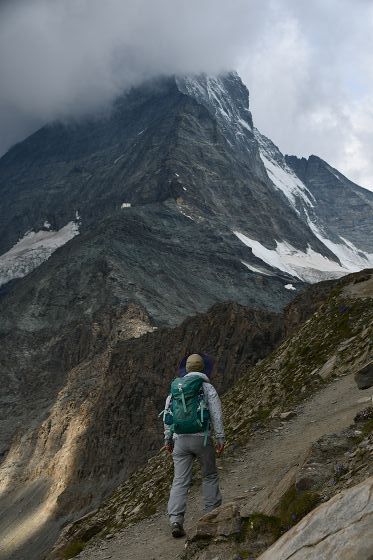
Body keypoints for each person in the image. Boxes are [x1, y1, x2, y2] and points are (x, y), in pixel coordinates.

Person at [163, 353, 225, 538]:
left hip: (180, 440)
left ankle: (175, 520)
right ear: (202, 368)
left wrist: (168, 439)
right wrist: (220, 438)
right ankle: (211, 515)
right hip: (202, 439)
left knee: (180, 481)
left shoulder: (176, 388)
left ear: (187, 369)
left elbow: (168, 415)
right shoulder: (206, 387)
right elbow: (216, 414)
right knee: (210, 475)